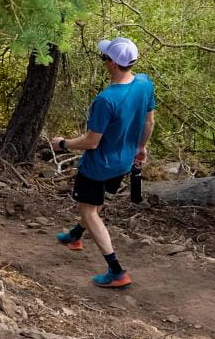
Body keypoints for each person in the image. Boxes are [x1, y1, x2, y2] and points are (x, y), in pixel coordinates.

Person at [52, 37, 157, 289]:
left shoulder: (106, 100)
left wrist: (63, 143)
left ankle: (116, 270)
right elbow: (149, 121)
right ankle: (74, 237)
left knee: (88, 210)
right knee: (94, 203)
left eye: (104, 57)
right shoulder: (144, 83)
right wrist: (140, 148)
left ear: (111, 63)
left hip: (98, 165)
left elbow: (91, 142)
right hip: (123, 162)